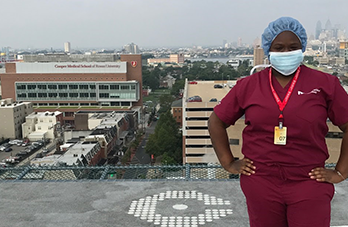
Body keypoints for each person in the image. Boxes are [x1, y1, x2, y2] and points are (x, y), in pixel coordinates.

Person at [208, 17, 348, 227]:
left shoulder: (324, 83)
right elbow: (216, 121)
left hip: (309, 180)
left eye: (293, 47)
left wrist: (340, 172)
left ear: (302, 48)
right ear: (268, 49)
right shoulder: (249, 85)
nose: (286, 53)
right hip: (261, 180)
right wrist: (229, 162)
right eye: (279, 47)